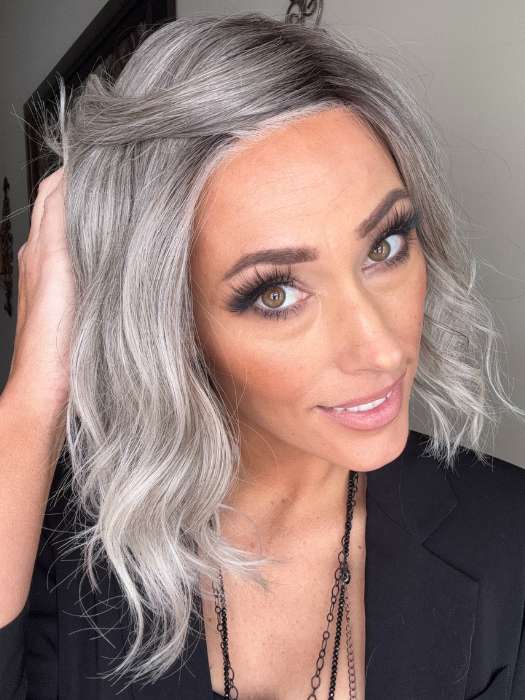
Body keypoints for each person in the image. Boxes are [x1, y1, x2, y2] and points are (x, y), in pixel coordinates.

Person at [1, 11, 524, 700]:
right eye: (276, 293)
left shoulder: (507, 534)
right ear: (170, 322)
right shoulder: (57, 551)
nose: (380, 346)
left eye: (385, 246)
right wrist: (35, 389)